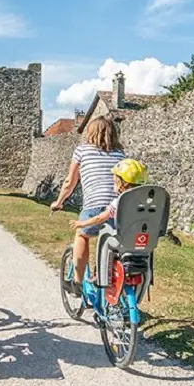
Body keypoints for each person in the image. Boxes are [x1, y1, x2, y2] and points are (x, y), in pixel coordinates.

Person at [50, 115, 125, 293]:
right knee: (110, 240)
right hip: (118, 207)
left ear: (91, 132)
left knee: (82, 235)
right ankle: (104, 275)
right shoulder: (120, 154)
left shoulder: (82, 151)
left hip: (94, 205)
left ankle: (76, 282)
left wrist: (59, 202)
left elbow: (70, 182)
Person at [69, 158, 147, 233]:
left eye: (114, 182)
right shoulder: (147, 202)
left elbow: (99, 218)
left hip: (122, 240)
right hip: (146, 240)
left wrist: (81, 223)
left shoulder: (119, 202)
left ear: (122, 184)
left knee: (103, 231)